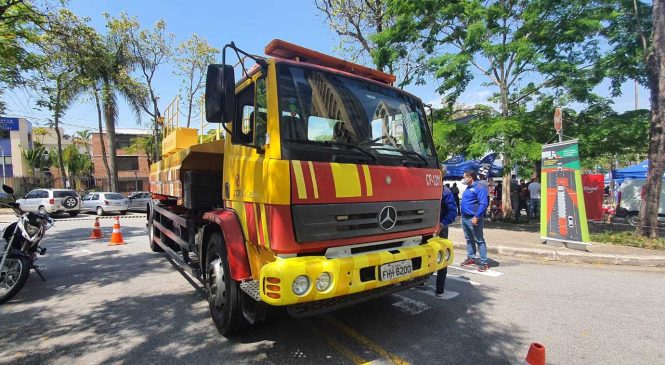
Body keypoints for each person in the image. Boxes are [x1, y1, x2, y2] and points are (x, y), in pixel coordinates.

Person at [460, 170, 490, 272]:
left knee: (479, 240)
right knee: (469, 239)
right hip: (465, 217)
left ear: (470, 177)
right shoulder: (469, 187)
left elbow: (483, 203)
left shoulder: (479, 187)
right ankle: (471, 258)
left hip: (474, 218)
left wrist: (476, 216)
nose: (463, 179)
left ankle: (484, 263)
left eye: (465, 177)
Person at [434, 176, 458, 297]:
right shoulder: (424, 189)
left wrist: (442, 224)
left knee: (441, 257)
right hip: (424, 229)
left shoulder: (445, 192)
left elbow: (453, 212)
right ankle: (420, 282)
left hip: (441, 229)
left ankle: (440, 289)